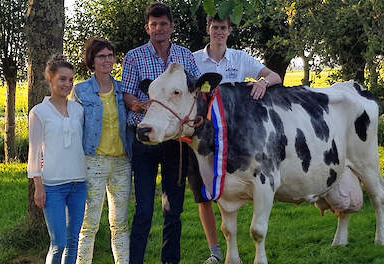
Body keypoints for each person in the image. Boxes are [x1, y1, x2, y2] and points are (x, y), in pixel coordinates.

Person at [190, 13, 282, 263]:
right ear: (208, 29)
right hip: (205, 136)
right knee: (207, 191)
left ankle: (239, 247)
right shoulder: (194, 60)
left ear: (230, 31)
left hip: (239, 137)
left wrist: (263, 83)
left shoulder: (241, 58)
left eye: (224, 28)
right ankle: (218, 250)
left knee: (239, 182)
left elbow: (275, 76)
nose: (219, 31)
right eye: (215, 27)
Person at [121, 3, 200, 264]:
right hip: (144, 137)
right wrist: (135, 104)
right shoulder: (134, 56)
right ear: (147, 28)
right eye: (154, 25)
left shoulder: (185, 57)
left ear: (172, 27)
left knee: (173, 210)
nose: (159, 29)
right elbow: (129, 92)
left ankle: (170, 261)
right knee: (144, 209)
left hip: (175, 141)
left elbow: (196, 92)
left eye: (163, 24)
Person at [72, 38, 133, 264]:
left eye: (110, 55)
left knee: (120, 223)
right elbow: (74, 128)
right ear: (92, 61)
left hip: (122, 163)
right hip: (93, 162)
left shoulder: (122, 89)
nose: (107, 60)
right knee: (89, 223)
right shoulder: (81, 91)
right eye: (101, 56)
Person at [28, 54, 87, 264]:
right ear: (50, 79)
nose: (68, 84)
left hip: (80, 183)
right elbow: (34, 151)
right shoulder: (39, 112)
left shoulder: (79, 110)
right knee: (58, 243)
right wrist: (38, 185)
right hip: (53, 186)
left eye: (71, 79)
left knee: (73, 242)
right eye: (62, 79)